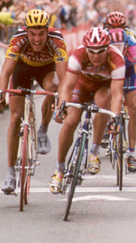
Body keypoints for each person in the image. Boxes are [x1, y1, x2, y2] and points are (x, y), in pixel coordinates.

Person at [0, 9, 68, 193]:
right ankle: (10, 172)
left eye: (41, 34)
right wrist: (0, 96)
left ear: (47, 31)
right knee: (15, 118)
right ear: (26, 31)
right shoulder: (18, 39)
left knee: (53, 88)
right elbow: (5, 72)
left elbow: (64, 80)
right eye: (33, 34)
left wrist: (61, 103)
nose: (37, 39)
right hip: (22, 69)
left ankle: (43, 128)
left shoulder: (57, 40)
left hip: (47, 69)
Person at [50, 28, 125, 193]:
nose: (96, 56)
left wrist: (115, 118)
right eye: (92, 52)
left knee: (103, 101)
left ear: (108, 49)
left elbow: (117, 94)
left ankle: (94, 152)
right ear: (86, 50)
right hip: (81, 85)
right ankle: (59, 169)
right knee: (70, 121)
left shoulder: (117, 59)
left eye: (100, 51)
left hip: (103, 87)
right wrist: (62, 105)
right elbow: (67, 86)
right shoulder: (78, 56)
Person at [105, 11, 136, 173]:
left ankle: (131, 153)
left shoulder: (131, 41)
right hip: (109, 69)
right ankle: (106, 122)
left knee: (133, 106)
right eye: (112, 27)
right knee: (105, 97)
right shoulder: (102, 39)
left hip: (129, 70)